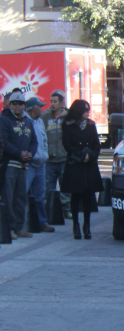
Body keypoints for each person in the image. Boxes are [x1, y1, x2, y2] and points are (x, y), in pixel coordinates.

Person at [60, 100, 104, 240]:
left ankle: (87, 225)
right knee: (75, 195)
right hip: (75, 164)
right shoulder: (68, 125)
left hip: (88, 165)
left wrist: (91, 156)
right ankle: (76, 225)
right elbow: (67, 145)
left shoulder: (91, 126)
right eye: (85, 110)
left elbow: (96, 145)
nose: (88, 113)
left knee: (87, 196)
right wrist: (80, 155)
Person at [0, 93, 38, 239]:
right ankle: (8, 227)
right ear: (9, 104)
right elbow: (4, 142)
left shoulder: (28, 122)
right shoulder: (4, 120)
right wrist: (19, 153)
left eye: (20, 103)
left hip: (24, 165)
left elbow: (34, 141)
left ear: (24, 106)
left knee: (21, 197)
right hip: (9, 164)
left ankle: (19, 227)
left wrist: (30, 153)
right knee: (8, 197)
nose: (17, 106)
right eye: (14, 103)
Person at [25, 97, 54, 232]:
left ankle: (42, 222)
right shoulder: (24, 122)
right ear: (33, 109)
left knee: (40, 195)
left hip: (41, 163)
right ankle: (22, 223)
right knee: (22, 193)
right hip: (29, 164)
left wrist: (45, 155)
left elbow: (44, 141)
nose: (42, 109)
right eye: (39, 107)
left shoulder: (40, 122)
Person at [41, 90, 72, 219]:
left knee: (65, 186)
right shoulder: (45, 116)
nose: (52, 104)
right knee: (48, 188)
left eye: (55, 102)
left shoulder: (68, 116)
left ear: (61, 103)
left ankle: (66, 210)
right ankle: (49, 210)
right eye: (51, 101)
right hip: (49, 158)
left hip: (64, 158)